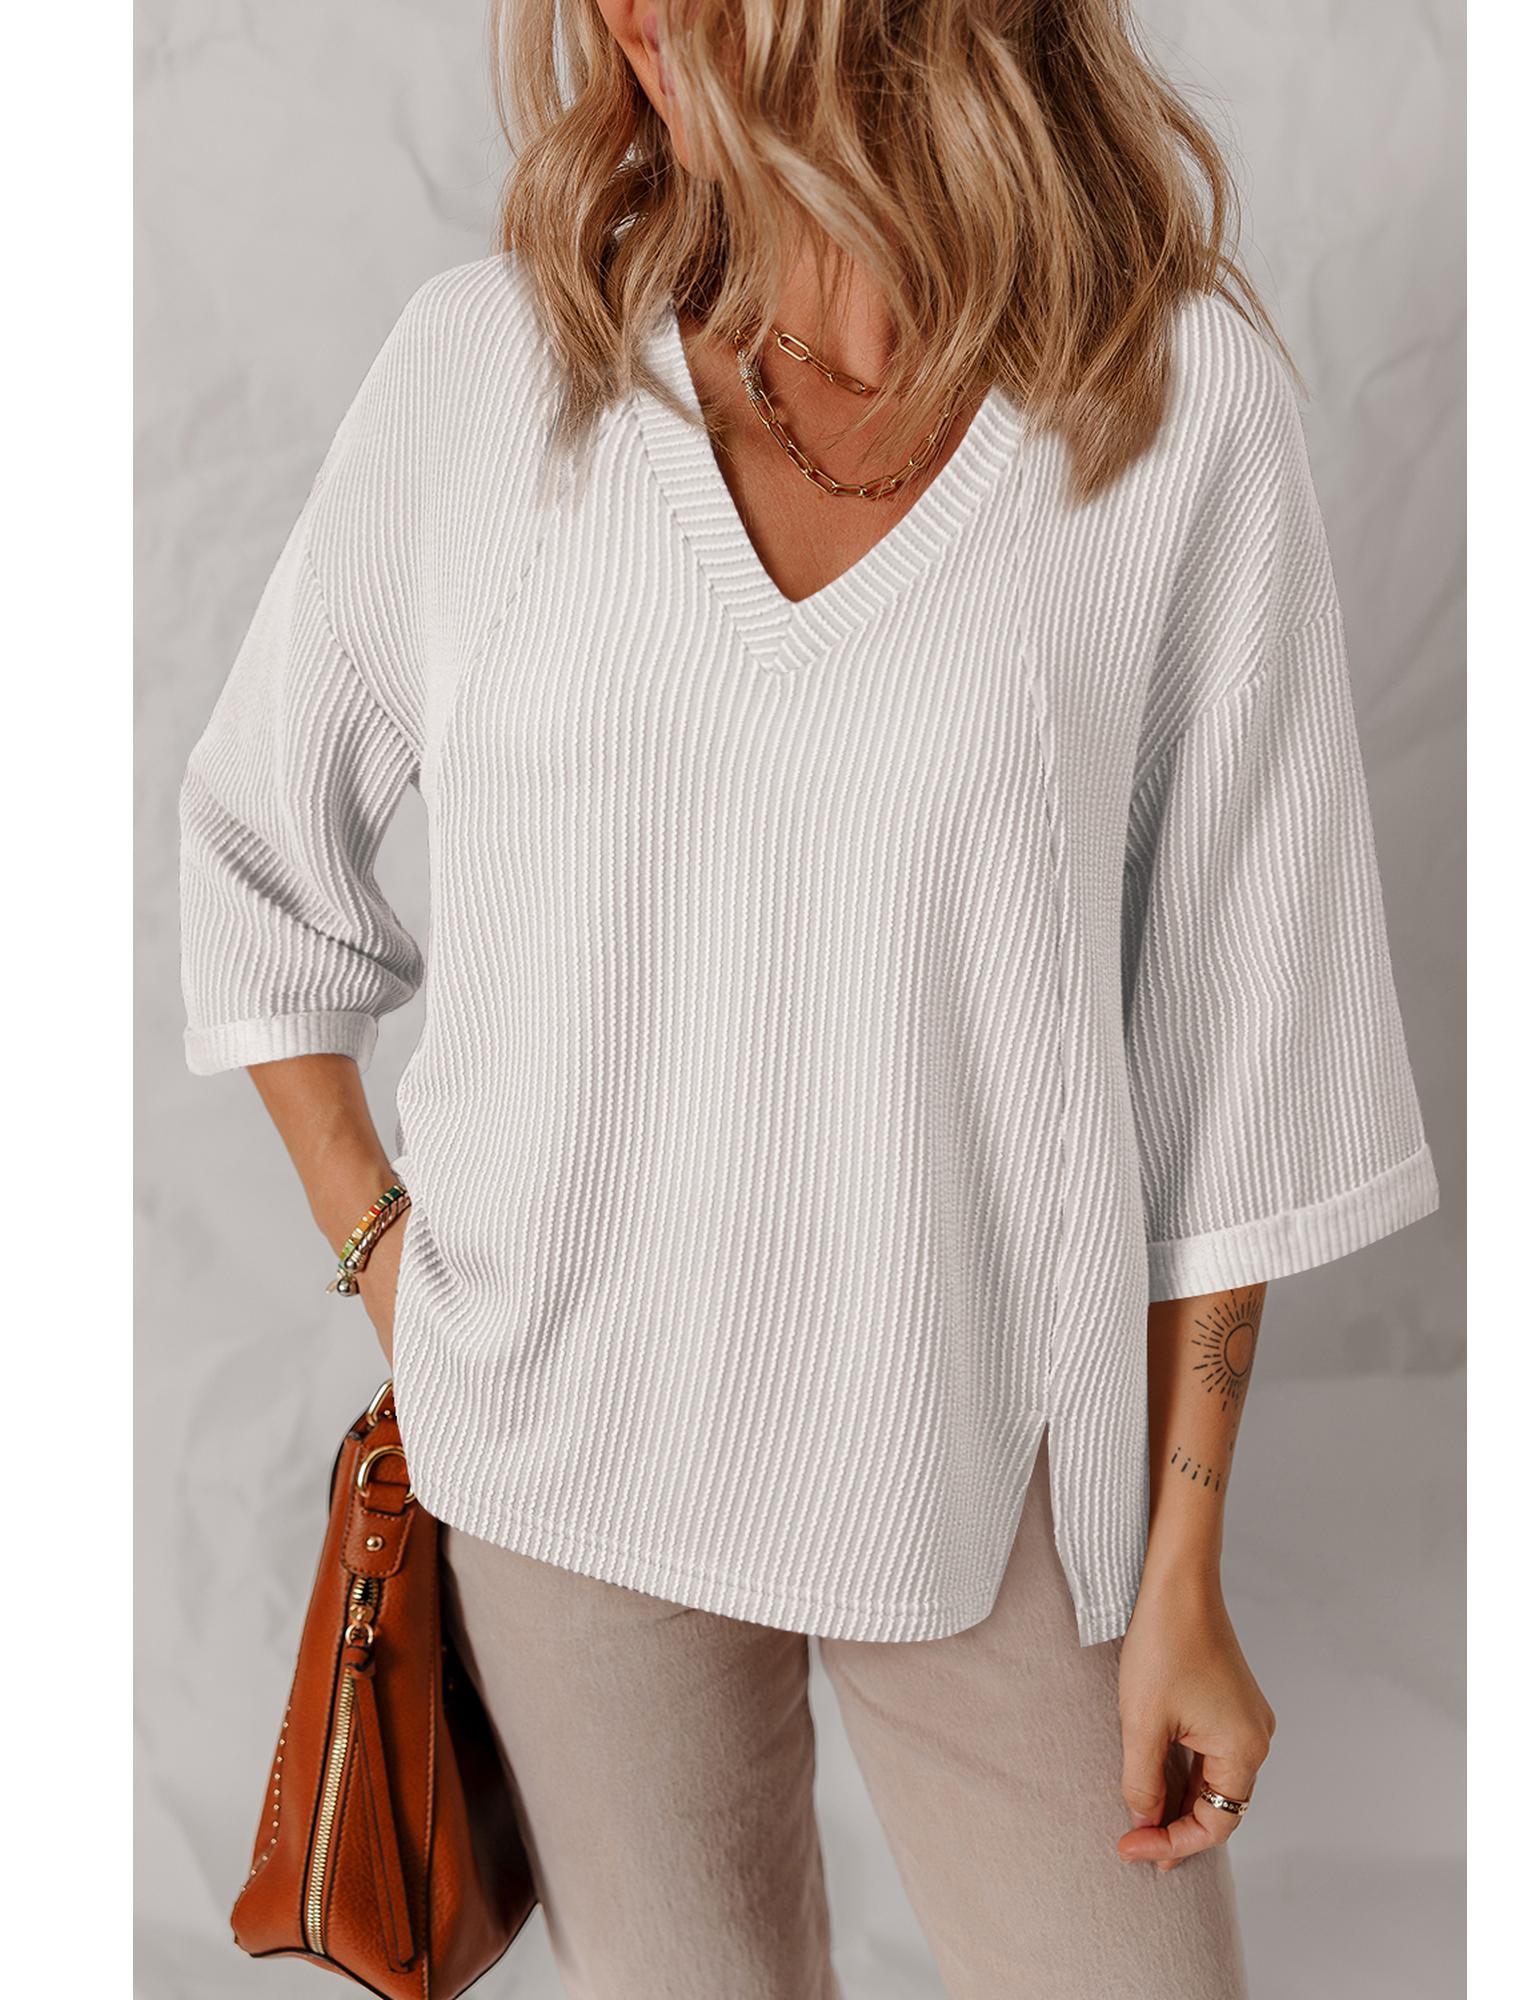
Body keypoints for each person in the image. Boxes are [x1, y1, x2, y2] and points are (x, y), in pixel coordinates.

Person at [176, 4, 1441, 1995]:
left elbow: (1244, 1042)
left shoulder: (1166, 400)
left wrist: (1182, 1561)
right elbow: (253, 853)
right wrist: (396, 1271)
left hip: (981, 1455)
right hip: (560, 1467)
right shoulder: (489, 376)